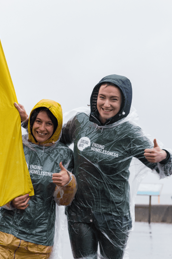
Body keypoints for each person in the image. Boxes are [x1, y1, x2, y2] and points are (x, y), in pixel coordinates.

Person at [16, 75, 172, 259]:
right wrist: (27, 123)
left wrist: (164, 156)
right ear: (95, 98)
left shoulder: (130, 133)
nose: (106, 104)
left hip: (113, 216)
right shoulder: (81, 122)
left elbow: (165, 168)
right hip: (79, 214)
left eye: (113, 99)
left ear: (124, 102)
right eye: (102, 97)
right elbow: (53, 140)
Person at [0, 99, 77, 259]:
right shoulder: (15, 144)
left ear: (56, 127)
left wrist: (68, 182)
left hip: (37, 244)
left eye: (48, 124)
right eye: (38, 121)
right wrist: (9, 201)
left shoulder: (64, 155)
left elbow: (63, 201)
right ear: (31, 121)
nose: (42, 128)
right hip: (1, 235)